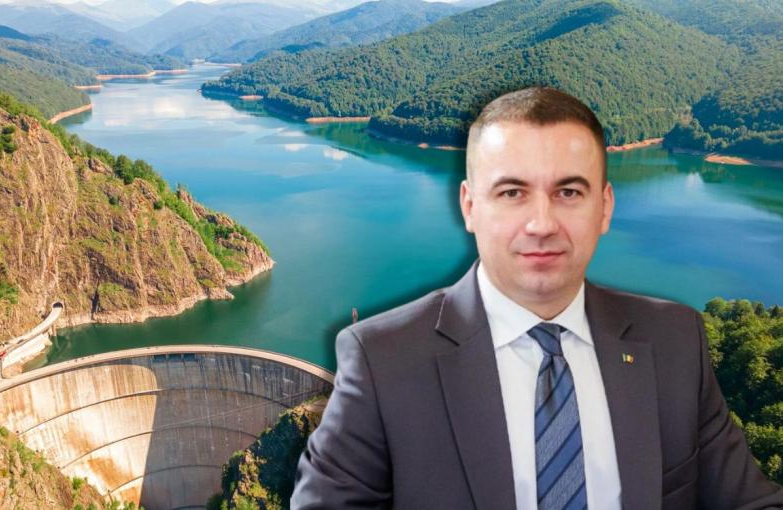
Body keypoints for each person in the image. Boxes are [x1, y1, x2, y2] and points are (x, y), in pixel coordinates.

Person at [290, 87, 783, 509]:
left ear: (604, 208)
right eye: (512, 193)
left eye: (568, 193)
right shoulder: (382, 360)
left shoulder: (675, 340)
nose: (542, 224)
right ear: (470, 206)